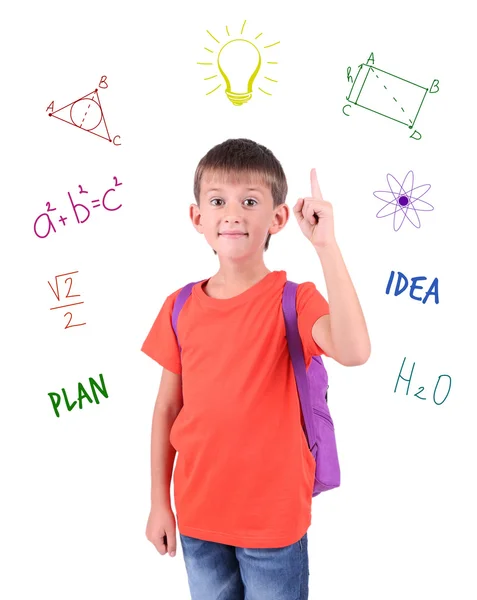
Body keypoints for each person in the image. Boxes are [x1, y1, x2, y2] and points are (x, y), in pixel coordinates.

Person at [141, 138, 371, 600]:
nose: (232, 213)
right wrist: (158, 504)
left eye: (250, 201)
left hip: (274, 522)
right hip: (198, 518)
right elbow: (167, 409)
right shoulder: (179, 305)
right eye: (218, 201)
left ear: (278, 218)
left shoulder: (296, 299)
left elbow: (354, 350)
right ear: (197, 217)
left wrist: (326, 246)